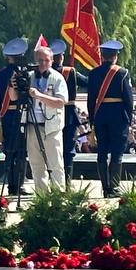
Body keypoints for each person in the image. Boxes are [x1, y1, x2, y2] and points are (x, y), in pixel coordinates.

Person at [86, 40, 133, 198]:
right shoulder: (122, 73)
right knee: (117, 153)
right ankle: (114, 187)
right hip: (118, 116)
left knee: (102, 153)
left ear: (102, 56)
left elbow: (90, 100)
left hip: (100, 116)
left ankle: (105, 188)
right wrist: (129, 119)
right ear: (115, 56)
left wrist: (92, 120)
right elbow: (128, 99)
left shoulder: (93, 73)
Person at [22, 44, 67, 193]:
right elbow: (14, 97)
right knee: (36, 164)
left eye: (46, 60)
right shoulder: (29, 77)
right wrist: (13, 84)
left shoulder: (57, 78)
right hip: (32, 124)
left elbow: (61, 102)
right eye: (39, 60)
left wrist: (39, 95)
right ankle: (41, 197)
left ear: (52, 61)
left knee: (55, 163)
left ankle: (58, 197)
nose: (42, 63)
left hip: (51, 127)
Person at [0, 38, 29, 197]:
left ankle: (10, 185)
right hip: (21, 113)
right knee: (21, 151)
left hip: (6, 115)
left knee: (9, 150)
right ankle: (19, 185)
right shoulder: (25, 73)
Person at [50, 40, 82, 184]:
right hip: (68, 115)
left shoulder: (43, 73)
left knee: (52, 150)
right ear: (61, 57)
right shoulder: (70, 71)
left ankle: (54, 182)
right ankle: (67, 183)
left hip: (49, 114)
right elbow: (88, 82)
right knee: (68, 150)